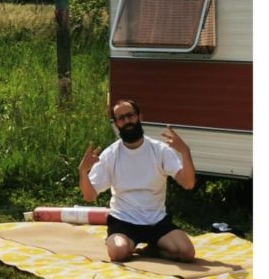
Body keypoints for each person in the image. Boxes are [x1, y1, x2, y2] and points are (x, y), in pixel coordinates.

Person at [78, 99, 197, 263]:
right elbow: (89, 196)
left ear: (140, 117)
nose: (127, 121)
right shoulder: (110, 154)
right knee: (118, 253)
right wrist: (83, 172)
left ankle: (152, 249)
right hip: (123, 220)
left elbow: (188, 183)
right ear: (116, 124)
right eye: (121, 118)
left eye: (130, 115)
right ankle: (120, 242)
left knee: (186, 253)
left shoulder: (159, 150)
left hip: (157, 220)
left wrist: (185, 152)